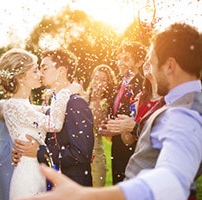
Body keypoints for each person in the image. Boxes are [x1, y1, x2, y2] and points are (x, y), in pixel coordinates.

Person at [18, 22, 202, 200]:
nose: (149, 72)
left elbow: (172, 180)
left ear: (170, 66)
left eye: (152, 63)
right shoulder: (182, 105)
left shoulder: (184, 113)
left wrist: (89, 195)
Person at [0, 48, 81, 200]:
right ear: (21, 78)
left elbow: (50, 111)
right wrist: (67, 92)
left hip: (37, 172)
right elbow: (54, 123)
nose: (40, 74)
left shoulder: (24, 105)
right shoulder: (15, 105)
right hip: (28, 178)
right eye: (35, 71)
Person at [12, 48, 94, 187]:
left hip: (73, 187)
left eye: (44, 68)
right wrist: (24, 150)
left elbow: (81, 153)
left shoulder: (76, 103)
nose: (40, 73)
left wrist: (39, 152)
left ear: (62, 70)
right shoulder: (56, 104)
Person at [107, 41, 146, 184]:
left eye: (126, 59)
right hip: (117, 146)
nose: (120, 63)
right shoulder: (119, 84)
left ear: (139, 62)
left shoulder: (143, 86)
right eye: (119, 58)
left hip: (134, 147)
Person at [85, 64, 117, 187]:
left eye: (104, 80)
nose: (99, 82)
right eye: (96, 78)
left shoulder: (108, 103)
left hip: (96, 156)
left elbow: (100, 128)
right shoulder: (82, 97)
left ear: (109, 84)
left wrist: (96, 100)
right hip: (80, 157)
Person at [0, 101, 14, 200]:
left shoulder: (31, 105)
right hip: (8, 155)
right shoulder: (2, 104)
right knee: (7, 193)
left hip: (30, 155)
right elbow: (5, 116)